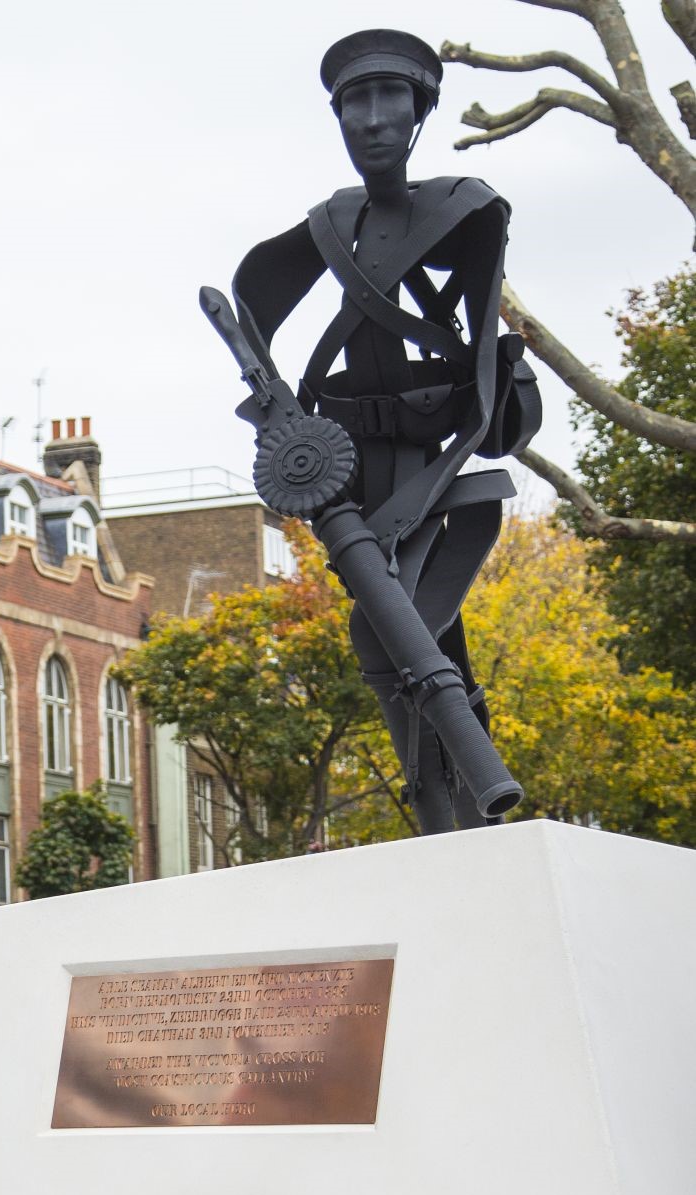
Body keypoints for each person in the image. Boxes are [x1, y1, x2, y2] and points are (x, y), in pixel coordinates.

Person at [228, 30, 541, 835]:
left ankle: (456, 816)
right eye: (355, 104)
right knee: (404, 634)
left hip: (440, 475)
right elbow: (254, 318)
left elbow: (481, 384)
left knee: (395, 625)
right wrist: (295, 443)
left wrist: (416, 501)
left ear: (420, 112)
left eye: (390, 99)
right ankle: (453, 826)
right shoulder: (323, 228)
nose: (372, 120)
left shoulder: (466, 213)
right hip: (352, 482)